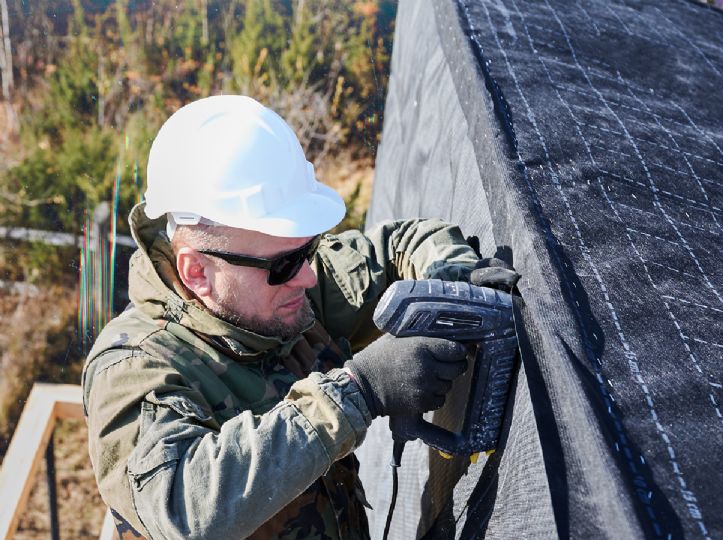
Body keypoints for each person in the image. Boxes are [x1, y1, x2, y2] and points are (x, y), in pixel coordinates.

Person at [81, 95, 516, 539]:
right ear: (198, 272)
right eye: (284, 264)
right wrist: (358, 392)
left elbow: (403, 242)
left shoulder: (281, 286)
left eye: (306, 250)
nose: (306, 276)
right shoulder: (133, 369)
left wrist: (450, 283)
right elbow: (183, 509)